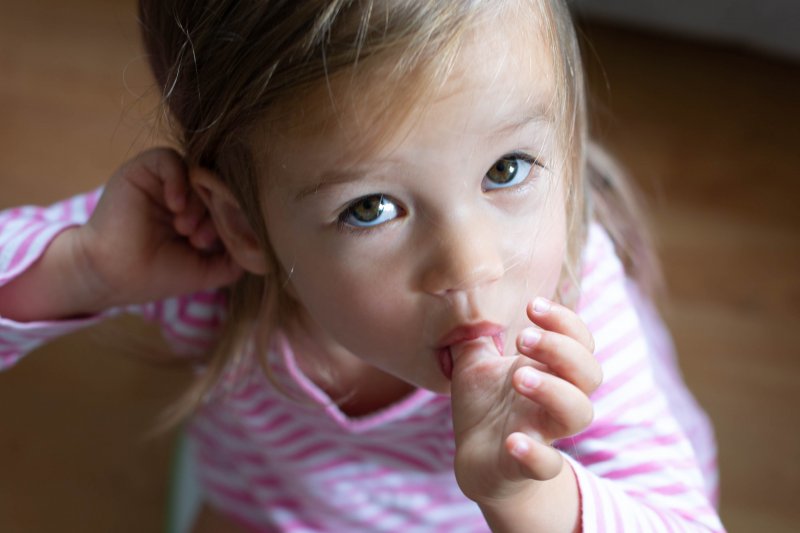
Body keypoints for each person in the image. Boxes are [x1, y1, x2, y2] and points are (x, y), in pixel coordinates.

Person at [0, 0, 725, 531]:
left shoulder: (569, 312)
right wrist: (84, 271)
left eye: (508, 168)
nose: (471, 269)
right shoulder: (187, 258)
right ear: (241, 222)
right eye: (371, 208)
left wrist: (527, 498)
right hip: (275, 505)